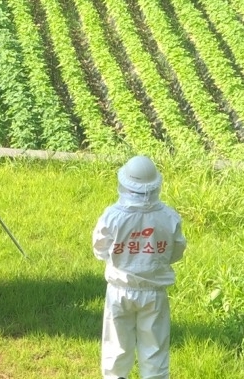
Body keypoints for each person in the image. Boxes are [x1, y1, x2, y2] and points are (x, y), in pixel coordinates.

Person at [92, 155, 186, 379]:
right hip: (154, 293)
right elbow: (176, 251)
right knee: (155, 350)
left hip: (119, 290)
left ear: (125, 184)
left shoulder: (112, 216)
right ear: (155, 186)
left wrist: (125, 256)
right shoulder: (168, 217)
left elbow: (100, 249)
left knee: (116, 347)